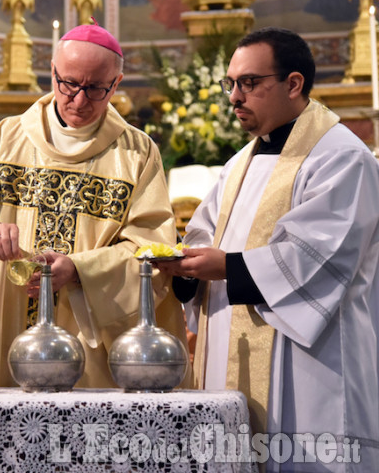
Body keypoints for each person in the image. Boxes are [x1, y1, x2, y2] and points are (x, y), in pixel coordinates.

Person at [157, 27, 379, 470]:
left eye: (250, 83)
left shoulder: (341, 158)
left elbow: (321, 255)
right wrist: (185, 271)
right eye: (231, 84)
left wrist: (229, 269)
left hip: (312, 367)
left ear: (293, 84)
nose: (235, 97)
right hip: (230, 351)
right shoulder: (240, 163)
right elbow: (202, 235)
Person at [0, 23, 189, 388]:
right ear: (52, 73)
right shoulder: (5, 139)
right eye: (68, 84)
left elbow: (152, 250)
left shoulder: (136, 154)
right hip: (7, 317)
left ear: (116, 85)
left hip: (90, 340)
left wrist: (81, 271)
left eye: (96, 89)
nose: (79, 100)